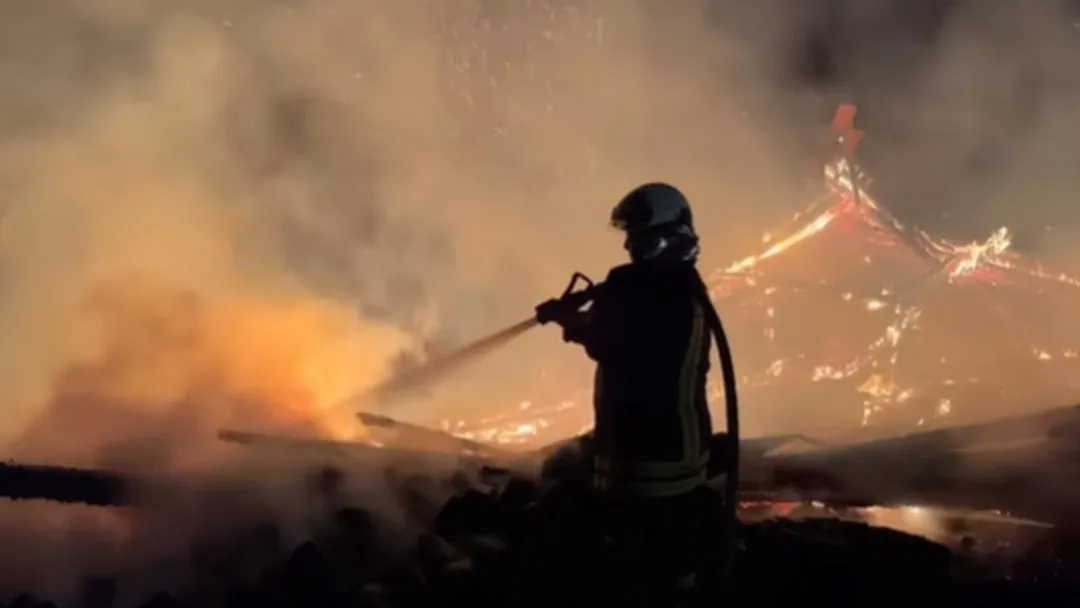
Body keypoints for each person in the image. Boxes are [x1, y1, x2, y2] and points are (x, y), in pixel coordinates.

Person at [535, 182, 716, 606]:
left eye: (639, 236)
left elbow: (612, 342)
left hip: (658, 458)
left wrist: (568, 320)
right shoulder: (671, 288)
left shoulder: (662, 294)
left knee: (643, 569)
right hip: (658, 450)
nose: (631, 246)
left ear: (663, 235)